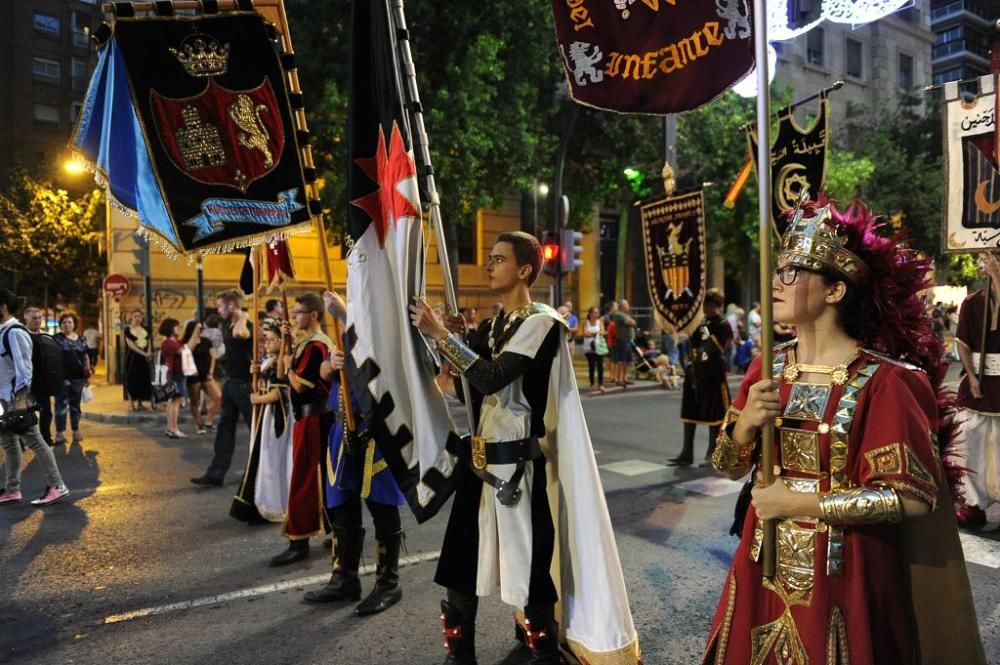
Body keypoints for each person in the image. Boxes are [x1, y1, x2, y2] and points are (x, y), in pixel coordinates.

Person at [704, 201, 985, 665]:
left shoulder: (888, 382)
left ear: (835, 290)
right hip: (763, 564)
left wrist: (796, 503)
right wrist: (744, 430)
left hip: (846, 570)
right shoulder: (768, 366)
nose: (776, 281)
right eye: (778, 269)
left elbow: (910, 497)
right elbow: (727, 466)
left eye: (794, 272)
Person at [410, 231, 640, 665]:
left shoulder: (544, 322)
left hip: (518, 471)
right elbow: (471, 391)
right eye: (490, 259)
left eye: (498, 260)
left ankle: (543, 655)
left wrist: (444, 336)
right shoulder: (493, 327)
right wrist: (447, 341)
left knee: (532, 575)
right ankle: (460, 657)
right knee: (458, 565)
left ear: (525, 270)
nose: (489, 266)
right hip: (478, 467)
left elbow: (495, 377)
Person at [304, 291, 406, 616]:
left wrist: (348, 318)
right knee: (342, 510)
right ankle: (344, 578)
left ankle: (389, 583)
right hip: (341, 430)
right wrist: (331, 363)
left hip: (374, 432)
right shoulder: (343, 331)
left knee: (382, 507)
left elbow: (384, 365)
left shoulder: (382, 328)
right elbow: (322, 373)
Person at [269, 292, 334, 566]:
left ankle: (299, 541)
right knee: (320, 477)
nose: (294, 316)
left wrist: (289, 368)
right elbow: (282, 376)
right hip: (308, 419)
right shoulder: (305, 344)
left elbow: (296, 383)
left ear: (314, 315)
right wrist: (286, 342)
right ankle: (335, 529)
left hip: (314, 419)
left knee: (305, 479)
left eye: (298, 312)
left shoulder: (317, 346)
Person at [0, 290, 69, 506]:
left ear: (2, 307)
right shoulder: (3, 331)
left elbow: (25, 368)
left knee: (36, 441)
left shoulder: (14, 332)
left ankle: (57, 485)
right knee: (9, 443)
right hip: (3, 399)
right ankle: (12, 490)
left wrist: (21, 399)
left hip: (15, 398)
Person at [953, 252, 1000, 529]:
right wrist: (971, 376)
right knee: (970, 441)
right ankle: (973, 503)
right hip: (980, 385)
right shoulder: (972, 303)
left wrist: (997, 277)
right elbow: (963, 342)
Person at [231, 321, 292, 524]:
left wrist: (258, 400)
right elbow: (258, 388)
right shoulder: (267, 361)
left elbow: (279, 392)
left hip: (275, 415)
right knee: (259, 455)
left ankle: (271, 503)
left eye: (273, 339)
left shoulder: (280, 363)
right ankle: (256, 502)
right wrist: (254, 376)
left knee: (269, 457)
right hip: (265, 415)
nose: (267, 343)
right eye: (266, 339)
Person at [191, 290, 254, 486]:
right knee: (224, 430)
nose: (218, 310)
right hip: (231, 383)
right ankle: (216, 473)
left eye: (220, 306)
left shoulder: (245, 324)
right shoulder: (226, 324)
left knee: (256, 431)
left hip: (246, 386)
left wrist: (243, 315)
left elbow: (241, 334)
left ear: (231, 306)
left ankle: (257, 474)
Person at [669, 288, 732, 467]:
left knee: (714, 415)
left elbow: (713, 347)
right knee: (689, 411)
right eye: (704, 305)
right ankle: (686, 452)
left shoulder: (723, 324)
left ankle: (712, 452)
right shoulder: (701, 322)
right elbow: (693, 342)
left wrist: (702, 327)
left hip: (713, 372)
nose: (705, 309)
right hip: (695, 371)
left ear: (717, 307)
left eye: (709, 306)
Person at [53, 313, 91, 445]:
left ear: (74, 324)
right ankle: (59, 433)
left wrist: (87, 374)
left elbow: (86, 357)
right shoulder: (56, 339)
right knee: (60, 406)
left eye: (69, 322)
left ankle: (76, 431)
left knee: (75, 406)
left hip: (78, 378)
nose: (67, 325)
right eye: (64, 322)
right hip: (61, 379)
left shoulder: (81, 340)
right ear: (60, 325)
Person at [181, 320, 221, 434]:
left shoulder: (206, 341)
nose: (201, 331)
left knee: (218, 397)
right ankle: (199, 425)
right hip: (193, 376)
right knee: (195, 401)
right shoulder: (186, 343)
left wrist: (211, 372)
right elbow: (187, 352)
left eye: (202, 329)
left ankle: (208, 421)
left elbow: (213, 357)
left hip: (206, 374)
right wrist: (193, 338)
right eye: (198, 329)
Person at [23, 307, 54, 445]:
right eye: (34, 318)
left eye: (39, 318)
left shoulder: (45, 336)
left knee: (46, 410)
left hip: (43, 381)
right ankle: (23, 440)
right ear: (26, 319)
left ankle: (45, 437)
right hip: (26, 381)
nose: (37, 321)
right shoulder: (20, 335)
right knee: (24, 412)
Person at [159, 318, 185, 439]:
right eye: (176, 326)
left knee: (172, 402)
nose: (178, 328)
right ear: (170, 328)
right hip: (175, 374)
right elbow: (182, 351)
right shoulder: (169, 342)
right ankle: (174, 428)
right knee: (175, 402)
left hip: (175, 373)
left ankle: (170, 428)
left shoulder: (173, 341)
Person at [123, 310, 152, 411]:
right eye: (135, 316)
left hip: (143, 358)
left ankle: (140, 403)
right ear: (132, 317)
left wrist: (148, 353)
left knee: (142, 379)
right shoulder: (128, 330)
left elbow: (149, 342)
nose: (137, 318)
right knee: (131, 379)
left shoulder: (146, 329)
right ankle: (131, 404)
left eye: (139, 316)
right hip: (132, 357)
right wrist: (144, 354)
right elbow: (131, 345)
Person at [610, 299, 636, 388]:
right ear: (622, 306)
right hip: (622, 340)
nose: (628, 306)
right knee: (621, 360)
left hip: (629, 340)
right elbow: (630, 322)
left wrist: (632, 322)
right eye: (626, 305)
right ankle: (619, 379)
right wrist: (631, 322)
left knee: (628, 360)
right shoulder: (618, 315)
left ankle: (625, 378)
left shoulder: (626, 315)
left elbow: (633, 322)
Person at [580, 306, 606, 395]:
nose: (596, 314)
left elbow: (603, 332)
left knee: (600, 366)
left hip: (599, 346)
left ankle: (601, 384)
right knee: (591, 366)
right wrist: (595, 334)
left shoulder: (600, 322)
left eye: (597, 313)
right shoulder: (585, 322)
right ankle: (592, 384)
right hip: (589, 347)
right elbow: (584, 333)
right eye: (594, 312)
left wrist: (594, 334)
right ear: (590, 313)